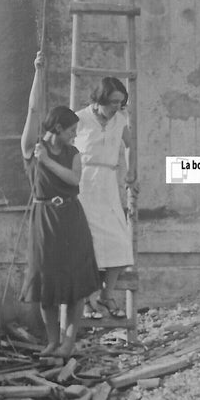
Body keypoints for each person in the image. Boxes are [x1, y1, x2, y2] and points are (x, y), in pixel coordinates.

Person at [19, 52, 100, 357]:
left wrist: (48, 163)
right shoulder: (32, 148)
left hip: (71, 218)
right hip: (44, 221)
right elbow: (32, 109)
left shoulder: (73, 153)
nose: (74, 135)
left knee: (75, 282)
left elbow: (74, 181)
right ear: (58, 128)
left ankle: (69, 341)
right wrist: (38, 71)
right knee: (47, 284)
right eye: (71, 130)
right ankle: (53, 341)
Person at [74, 77, 138, 319]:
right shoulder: (80, 118)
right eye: (112, 102)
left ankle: (106, 294)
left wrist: (131, 171)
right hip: (84, 183)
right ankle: (87, 299)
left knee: (120, 243)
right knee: (87, 244)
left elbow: (130, 146)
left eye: (120, 103)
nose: (116, 108)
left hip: (108, 184)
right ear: (99, 99)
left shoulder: (120, 120)